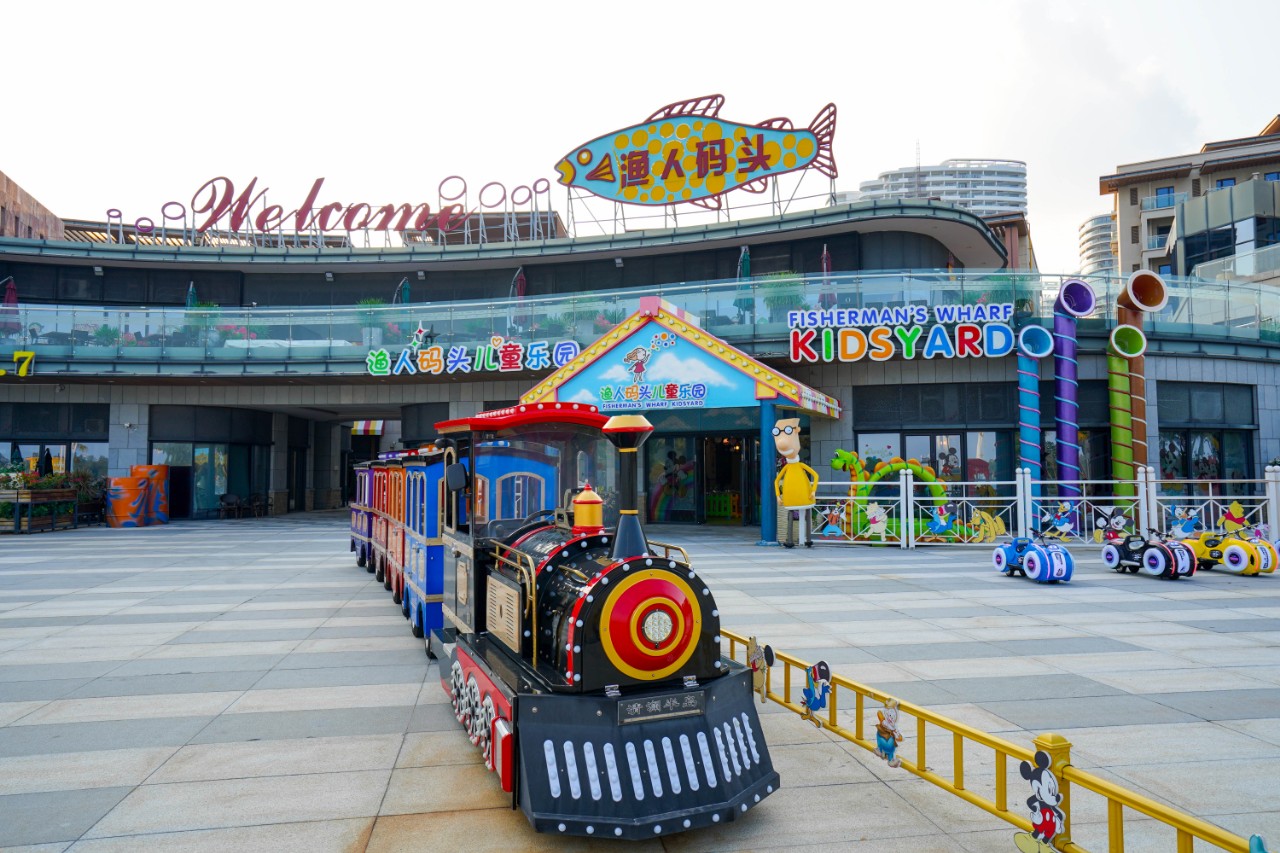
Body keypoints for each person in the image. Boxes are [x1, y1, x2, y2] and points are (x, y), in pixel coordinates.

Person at [772, 417, 818, 548]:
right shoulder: (787, 467)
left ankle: (808, 539)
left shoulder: (799, 465)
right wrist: (778, 496)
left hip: (805, 494)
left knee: (807, 513)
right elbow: (776, 481)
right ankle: (790, 540)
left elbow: (815, 475)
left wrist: (813, 491)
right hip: (791, 495)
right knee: (791, 515)